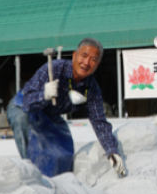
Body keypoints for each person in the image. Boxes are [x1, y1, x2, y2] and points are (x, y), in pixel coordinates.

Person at [7, 38, 126, 178]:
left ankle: (55, 186)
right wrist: (44, 95)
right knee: (23, 123)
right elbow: (27, 101)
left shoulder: (91, 88)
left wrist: (112, 151)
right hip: (26, 107)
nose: (87, 63)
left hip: (50, 116)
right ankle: (30, 174)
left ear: (97, 65)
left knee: (62, 154)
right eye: (84, 56)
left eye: (93, 59)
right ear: (75, 55)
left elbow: (99, 122)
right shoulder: (54, 68)